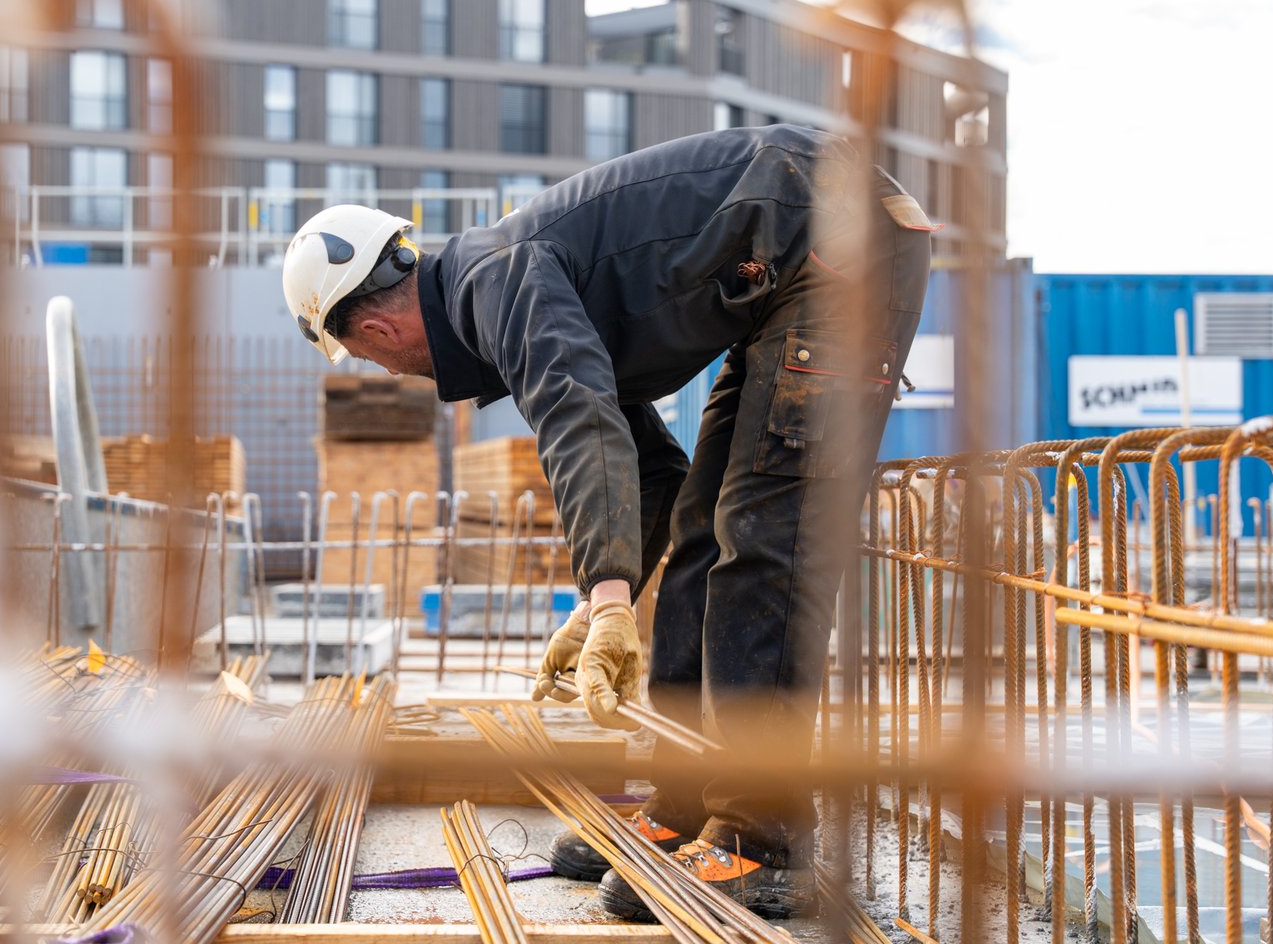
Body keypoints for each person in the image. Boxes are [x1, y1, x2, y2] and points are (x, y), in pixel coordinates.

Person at [280, 124, 933, 919]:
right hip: (798, 267)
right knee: (704, 527)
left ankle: (765, 837)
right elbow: (649, 471)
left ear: (373, 331)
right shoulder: (502, 285)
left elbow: (577, 415)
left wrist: (615, 596)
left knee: (766, 540)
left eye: (371, 358)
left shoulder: (495, 280)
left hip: (840, 249)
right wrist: (596, 606)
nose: (387, 372)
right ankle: (695, 799)